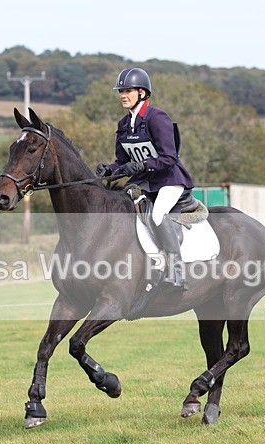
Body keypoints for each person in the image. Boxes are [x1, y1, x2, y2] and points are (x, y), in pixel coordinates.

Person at [97, 67, 194, 290]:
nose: (123, 95)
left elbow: (169, 157)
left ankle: (177, 272)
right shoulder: (123, 124)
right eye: (121, 91)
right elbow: (122, 161)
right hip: (144, 182)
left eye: (128, 91)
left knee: (158, 215)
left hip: (169, 180)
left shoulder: (156, 118)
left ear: (142, 93)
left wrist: (141, 165)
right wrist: (109, 170)